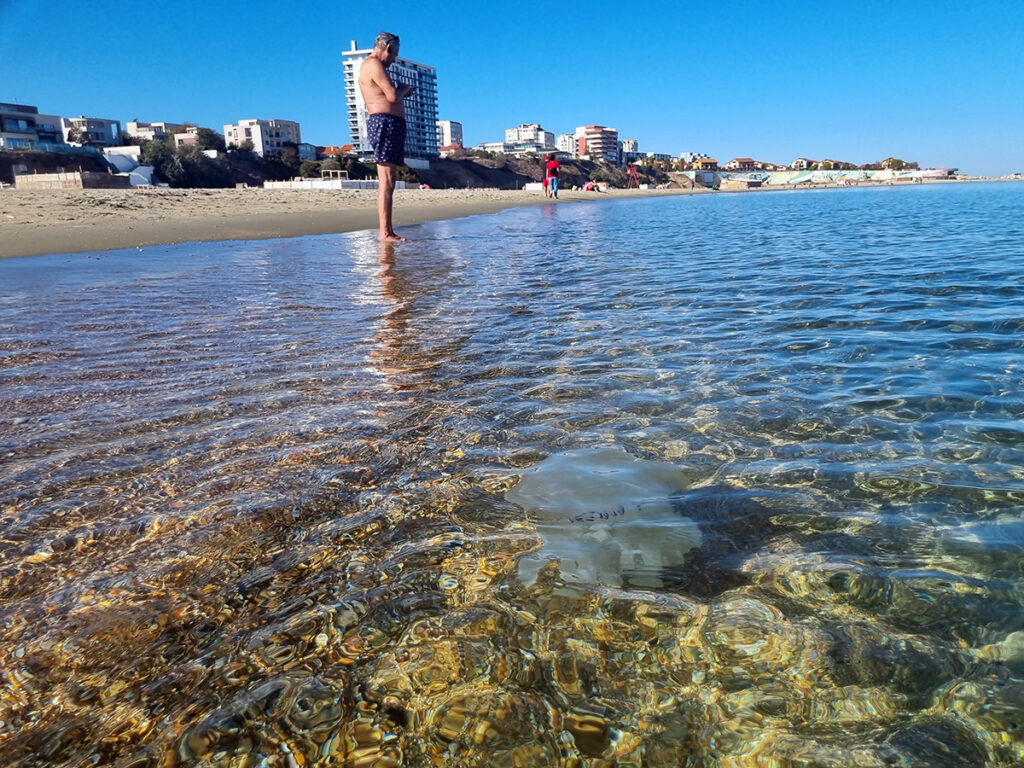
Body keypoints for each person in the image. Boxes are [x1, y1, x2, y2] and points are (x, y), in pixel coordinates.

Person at [358, 31, 415, 242]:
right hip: (385, 123)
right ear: (388, 48)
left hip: (389, 124)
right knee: (387, 181)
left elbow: (389, 95)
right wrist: (404, 88)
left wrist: (401, 93)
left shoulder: (374, 66)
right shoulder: (373, 64)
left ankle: (387, 230)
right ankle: (385, 232)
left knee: (389, 180)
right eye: (395, 54)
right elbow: (391, 95)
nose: (394, 60)